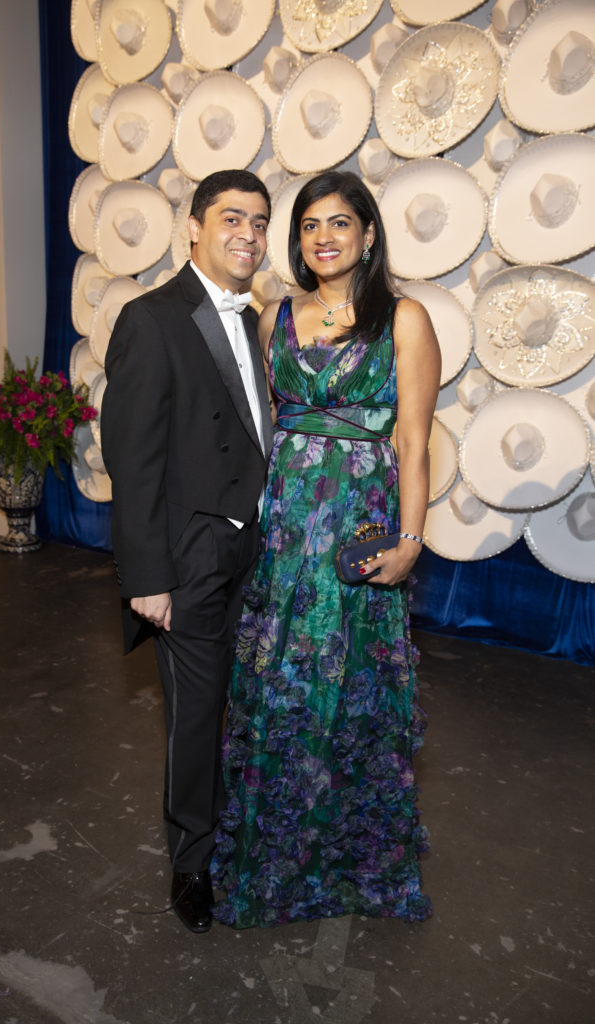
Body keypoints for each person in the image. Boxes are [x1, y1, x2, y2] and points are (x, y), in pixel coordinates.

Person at [210, 170, 441, 928]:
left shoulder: (402, 319)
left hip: (358, 527)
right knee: (279, 681)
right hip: (285, 527)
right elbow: (265, 423)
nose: (324, 237)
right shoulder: (277, 314)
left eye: (340, 223)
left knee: (352, 689)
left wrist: (410, 538)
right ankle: (273, 851)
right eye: (310, 225)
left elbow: (412, 438)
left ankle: (350, 854)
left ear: (368, 234)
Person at [101, 169, 274, 934]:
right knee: (196, 716)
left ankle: (235, 831)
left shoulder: (254, 318)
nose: (248, 233)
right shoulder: (152, 317)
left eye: (260, 222)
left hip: (254, 552)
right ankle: (191, 863)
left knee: (243, 708)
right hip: (191, 556)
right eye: (232, 218)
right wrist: (148, 577)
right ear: (194, 229)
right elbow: (131, 457)